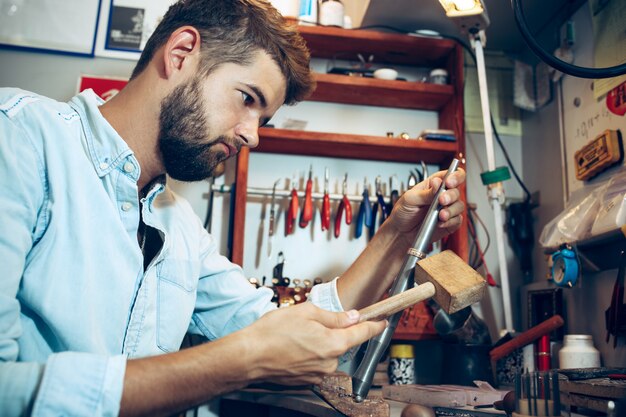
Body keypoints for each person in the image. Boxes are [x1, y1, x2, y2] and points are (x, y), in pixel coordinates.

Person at [0, 0, 466, 416]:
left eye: (263, 118)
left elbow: (294, 333)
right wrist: (240, 359)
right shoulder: (20, 137)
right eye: (247, 99)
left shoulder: (177, 225)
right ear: (181, 53)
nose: (253, 134)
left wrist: (396, 234)